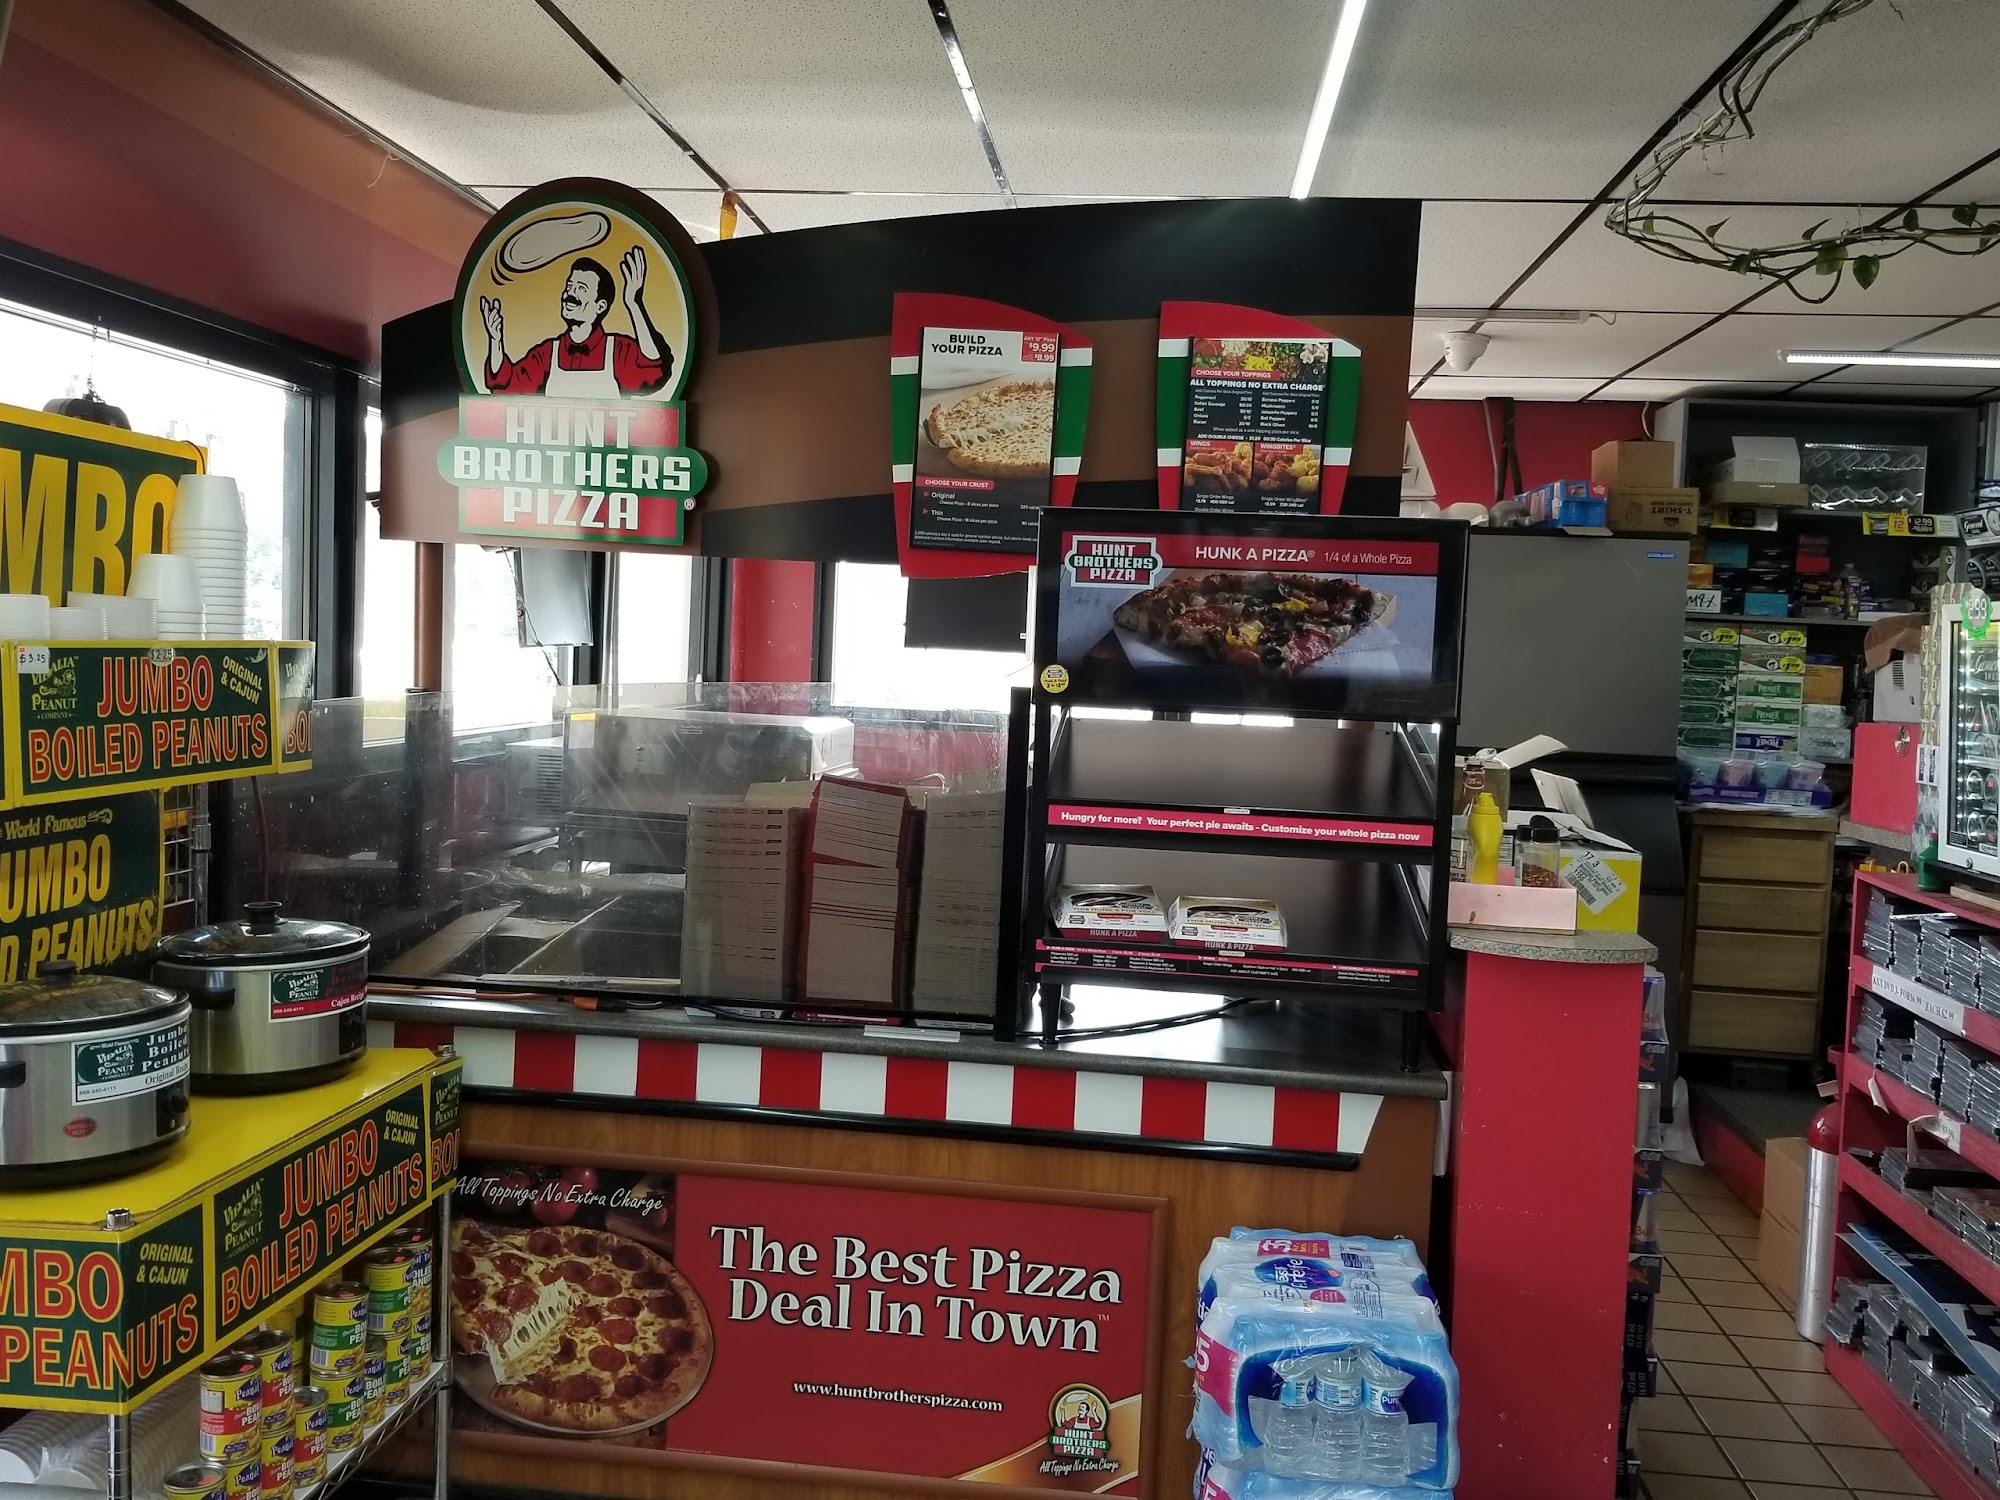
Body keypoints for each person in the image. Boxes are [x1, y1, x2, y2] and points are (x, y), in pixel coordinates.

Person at [482, 246, 673, 397]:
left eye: (581, 288)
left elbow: (653, 370)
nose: (569, 294)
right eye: (569, 286)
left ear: (600, 306)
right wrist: (495, 340)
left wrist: (634, 303)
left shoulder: (618, 350)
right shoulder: (548, 353)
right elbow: (507, 387)